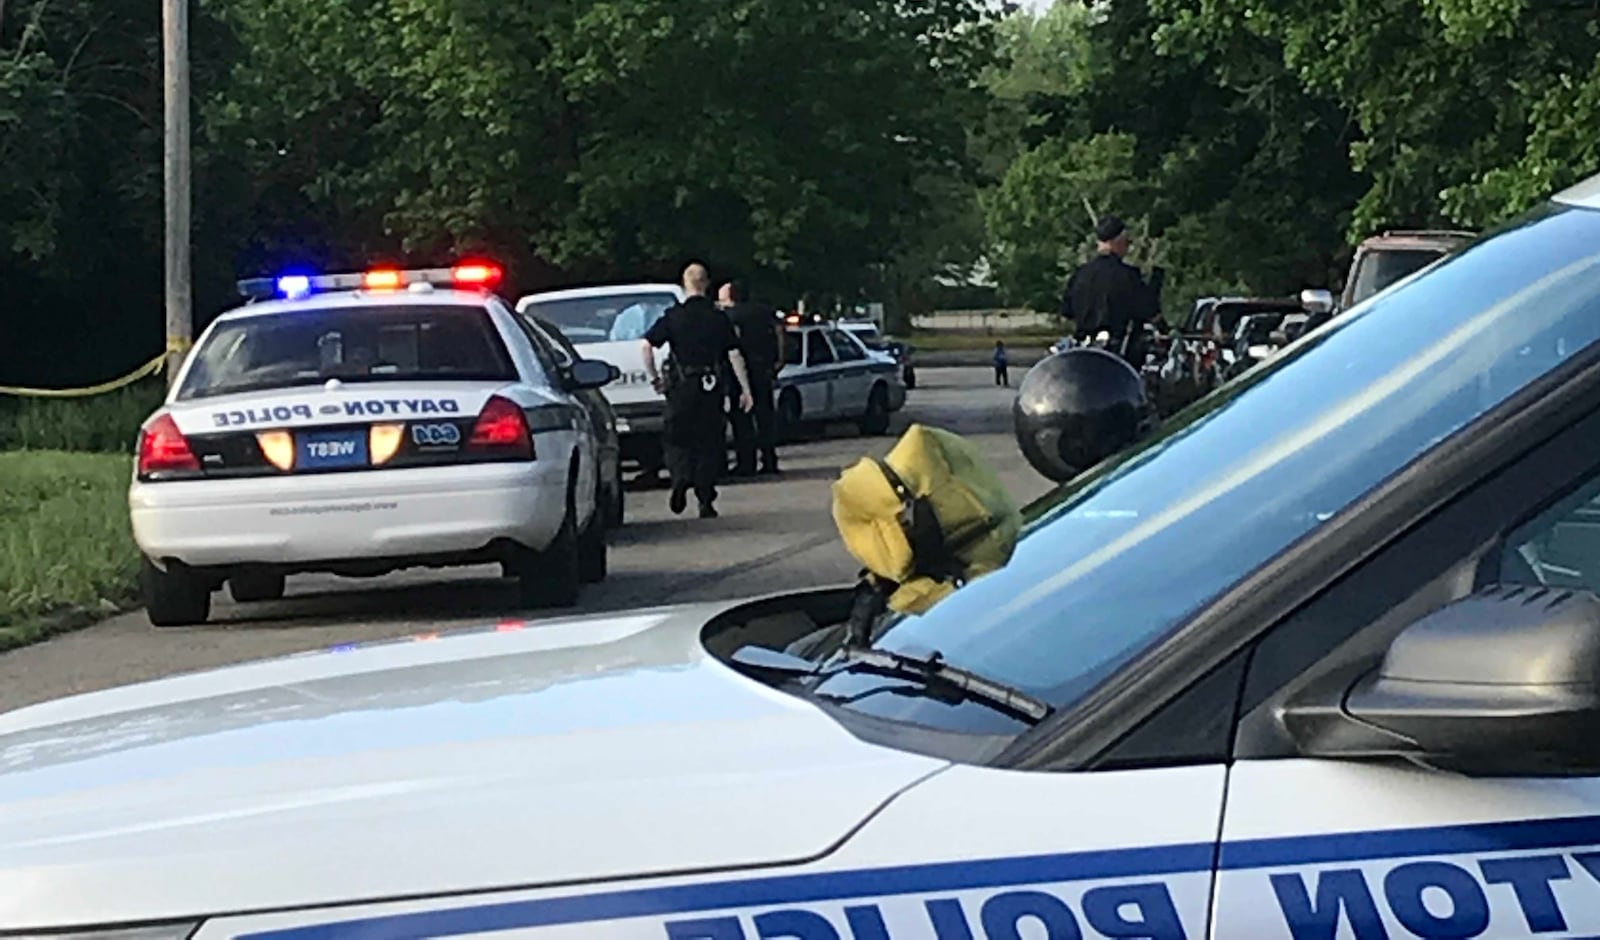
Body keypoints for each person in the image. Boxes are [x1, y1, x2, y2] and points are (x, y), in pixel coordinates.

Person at [642, 264, 754, 518]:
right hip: (710, 385)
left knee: (676, 438)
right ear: (706, 284)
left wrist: (654, 377)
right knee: (709, 442)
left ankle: (680, 477)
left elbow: (646, 346)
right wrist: (745, 389)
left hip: (681, 386)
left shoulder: (673, 316)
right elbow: (734, 353)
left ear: (685, 284)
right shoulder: (718, 317)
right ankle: (705, 499)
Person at [1060, 214, 1161, 366]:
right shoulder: (1128, 276)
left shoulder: (1080, 275)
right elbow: (1150, 313)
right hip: (1119, 360)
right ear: (1118, 240)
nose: (1128, 245)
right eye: (1126, 240)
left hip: (1083, 357)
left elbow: (1067, 312)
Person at [719, 279, 784, 476]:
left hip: (739, 373)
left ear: (731, 297)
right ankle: (769, 459)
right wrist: (780, 359)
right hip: (764, 368)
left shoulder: (729, 317)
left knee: (742, 419)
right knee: (765, 417)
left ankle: (746, 462)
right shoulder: (765, 312)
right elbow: (780, 332)